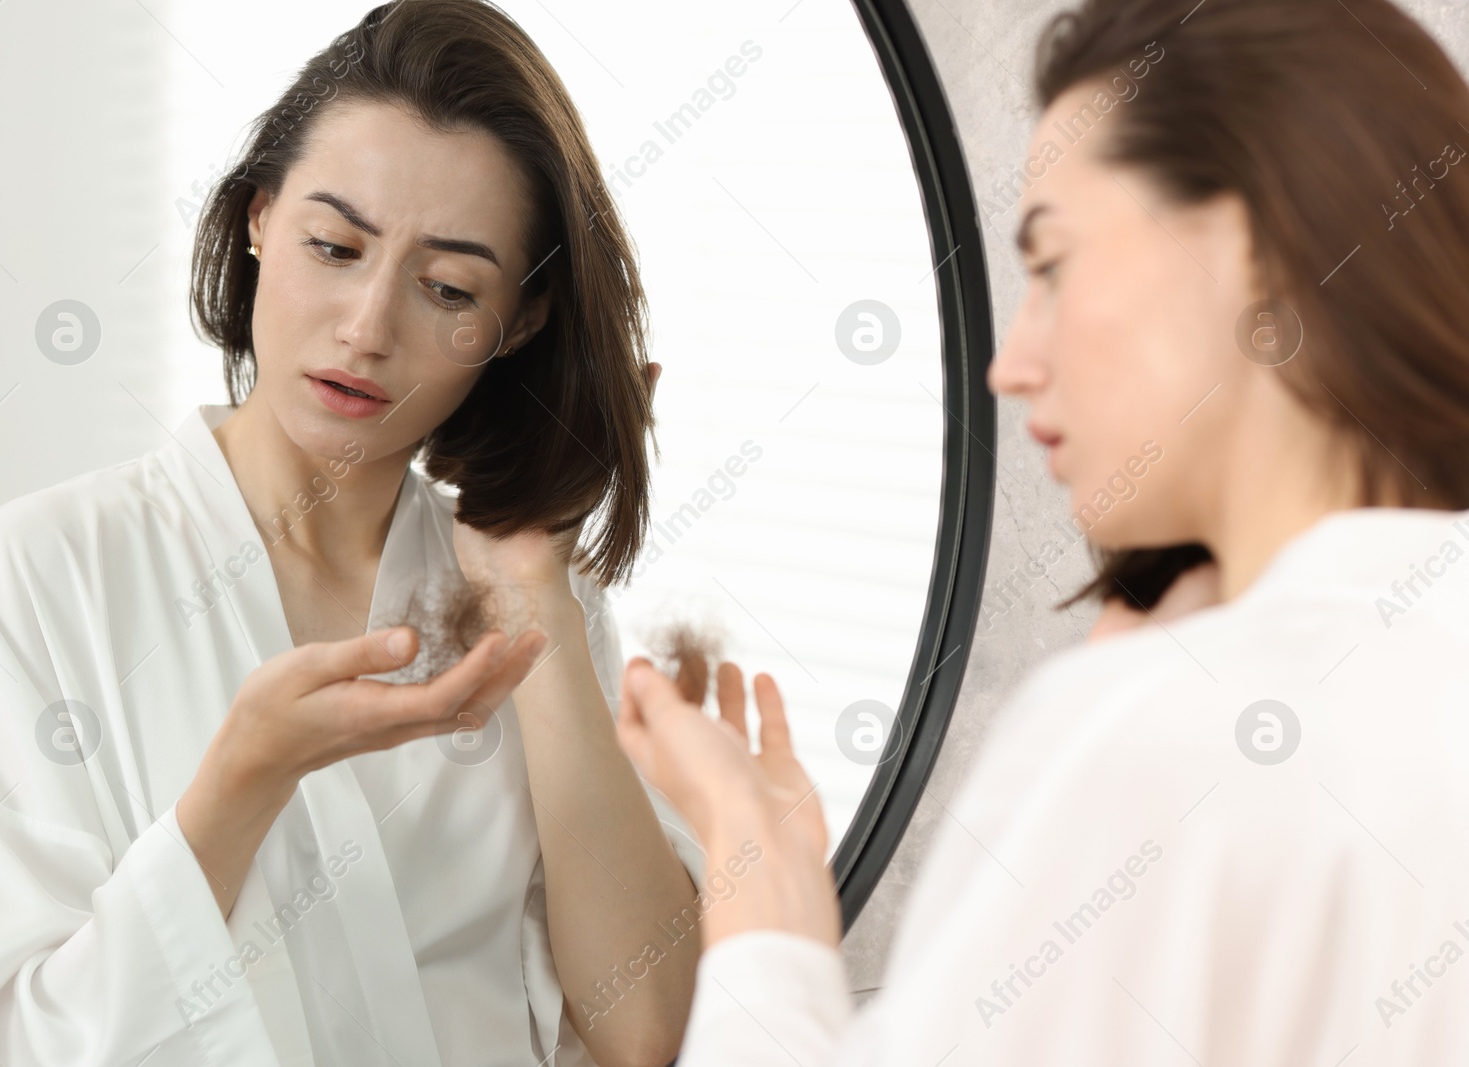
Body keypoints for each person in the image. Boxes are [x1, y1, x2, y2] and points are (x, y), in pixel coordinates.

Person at [615, 0, 1469, 1063]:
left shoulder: (1165, 733)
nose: (1009, 364)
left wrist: (752, 879)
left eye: (1055, 265)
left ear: (1252, 247)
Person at [0, 3, 703, 1065]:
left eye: (449, 288)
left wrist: (538, 595)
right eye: (333, 245)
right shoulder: (43, 572)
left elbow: (646, 1028)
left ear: (519, 320)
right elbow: (11, 1040)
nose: (367, 327)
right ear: (254, 216)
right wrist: (243, 776)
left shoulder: (530, 599)